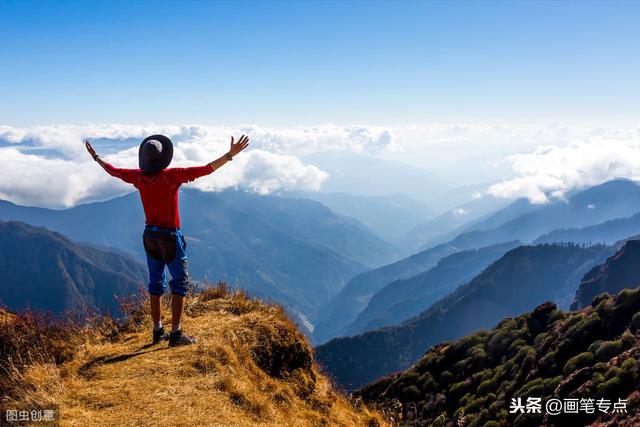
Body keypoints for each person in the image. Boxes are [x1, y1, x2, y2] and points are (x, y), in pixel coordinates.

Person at [85, 134, 249, 346]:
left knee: (156, 284)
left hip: (150, 236)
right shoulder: (172, 176)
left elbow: (114, 171)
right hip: (170, 237)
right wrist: (229, 155)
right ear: (163, 158)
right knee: (180, 283)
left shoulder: (138, 178)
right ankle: (176, 334)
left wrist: (96, 157)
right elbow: (206, 169)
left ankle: (157, 331)